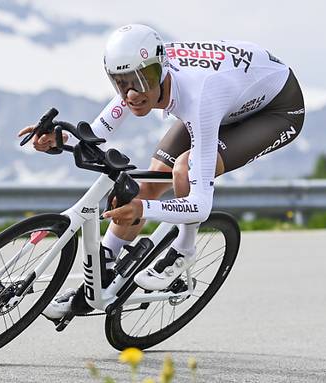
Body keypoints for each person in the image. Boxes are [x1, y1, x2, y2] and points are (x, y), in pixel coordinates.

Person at [18, 24, 305, 321]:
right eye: (121, 83)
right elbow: (99, 129)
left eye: (143, 81)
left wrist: (142, 209)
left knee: (184, 168)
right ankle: (103, 271)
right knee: (145, 183)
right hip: (231, 98)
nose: (132, 93)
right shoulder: (140, 76)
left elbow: (201, 203)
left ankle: (184, 248)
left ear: (162, 68)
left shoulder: (198, 96)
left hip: (277, 110)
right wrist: (59, 139)